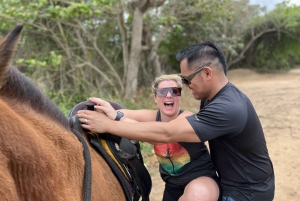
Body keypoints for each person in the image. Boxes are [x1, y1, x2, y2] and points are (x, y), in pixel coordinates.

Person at [77, 41, 275, 201]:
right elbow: (139, 116)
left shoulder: (227, 108)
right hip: (230, 182)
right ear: (155, 96)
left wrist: (110, 126)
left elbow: (167, 133)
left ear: (207, 73)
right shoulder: (212, 97)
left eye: (186, 80)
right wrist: (114, 113)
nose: (186, 85)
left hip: (247, 192)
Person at [88, 74, 220, 201]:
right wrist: (98, 112)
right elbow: (119, 113)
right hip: (172, 187)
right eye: (163, 92)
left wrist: (116, 119)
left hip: (201, 181)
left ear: (180, 96)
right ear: (155, 98)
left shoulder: (188, 118)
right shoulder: (152, 116)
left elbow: (158, 135)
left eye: (175, 91)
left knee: (197, 196)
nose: (169, 95)